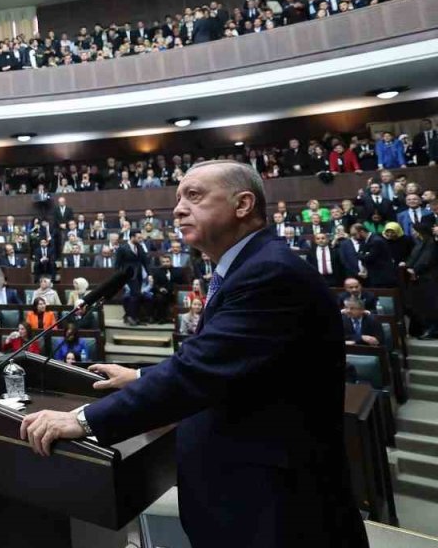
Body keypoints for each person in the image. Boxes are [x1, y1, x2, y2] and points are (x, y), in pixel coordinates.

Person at [21, 160, 366, 548]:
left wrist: (83, 420)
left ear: (243, 205)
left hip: (277, 509)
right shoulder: (251, 266)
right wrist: (138, 377)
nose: (179, 208)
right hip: (250, 497)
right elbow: (230, 363)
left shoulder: (269, 273)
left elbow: (202, 371)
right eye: (179, 198)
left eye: (195, 196)